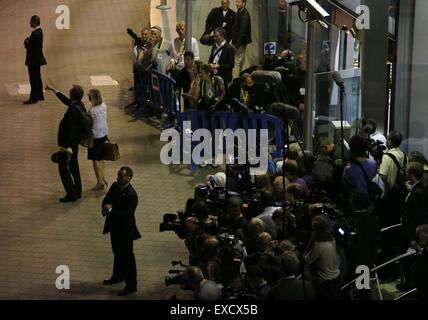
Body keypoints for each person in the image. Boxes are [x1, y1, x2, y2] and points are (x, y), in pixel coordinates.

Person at [102, 167, 141, 296]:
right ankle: (117, 276)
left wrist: (111, 210)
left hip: (125, 230)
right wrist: (106, 207)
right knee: (117, 252)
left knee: (127, 257)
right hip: (115, 227)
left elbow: (127, 215)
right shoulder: (115, 186)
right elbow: (107, 200)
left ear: (129, 178)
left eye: (121, 176)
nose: (118, 178)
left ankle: (131, 285)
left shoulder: (131, 195)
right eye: (118, 175)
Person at [45, 84, 86, 202]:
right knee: (74, 167)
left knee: (63, 168)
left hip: (69, 145)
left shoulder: (73, 110)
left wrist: (65, 148)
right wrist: (54, 90)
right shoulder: (79, 105)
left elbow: (70, 130)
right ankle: (78, 191)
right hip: (74, 143)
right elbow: (67, 102)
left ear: (72, 95)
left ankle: (71, 194)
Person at [304, 215, 341, 300]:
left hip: (324, 284)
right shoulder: (332, 239)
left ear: (316, 230)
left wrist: (310, 241)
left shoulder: (319, 246)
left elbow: (305, 261)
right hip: (336, 280)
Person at [379, 130, 406, 225]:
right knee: (396, 217)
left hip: (389, 192)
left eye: (387, 138)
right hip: (399, 190)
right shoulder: (403, 154)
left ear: (390, 141)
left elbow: (382, 176)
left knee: (387, 218)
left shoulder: (386, 157)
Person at [87, 89, 109, 190]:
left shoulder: (92, 111)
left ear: (92, 98)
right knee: (101, 158)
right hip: (104, 134)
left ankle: (99, 181)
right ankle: (104, 177)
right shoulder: (104, 106)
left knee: (95, 159)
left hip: (95, 136)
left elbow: (89, 124)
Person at [24, 15, 47, 105]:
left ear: (34, 22)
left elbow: (29, 45)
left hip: (33, 60)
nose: (30, 23)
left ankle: (33, 98)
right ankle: (40, 95)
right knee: (37, 77)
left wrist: (26, 42)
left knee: (33, 79)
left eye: (31, 21)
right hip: (37, 59)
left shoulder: (36, 34)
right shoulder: (38, 31)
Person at [231, 0, 252, 79]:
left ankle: (235, 82)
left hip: (240, 44)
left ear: (244, 3)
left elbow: (242, 32)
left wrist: (236, 45)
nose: (236, 4)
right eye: (236, 2)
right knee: (241, 64)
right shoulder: (240, 12)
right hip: (239, 43)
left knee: (236, 63)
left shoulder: (244, 15)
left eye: (238, 2)